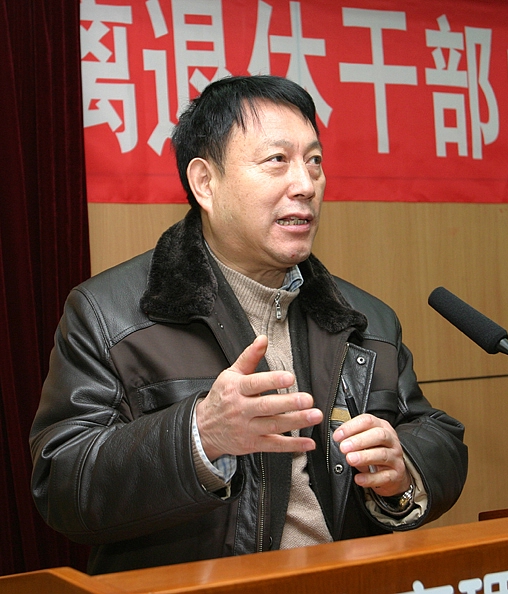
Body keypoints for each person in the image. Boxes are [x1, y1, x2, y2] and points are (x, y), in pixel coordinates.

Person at [30, 75, 467, 575]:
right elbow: (61, 481)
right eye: (277, 160)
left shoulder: (365, 319)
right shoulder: (110, 314)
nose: (306, 184)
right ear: (205, 183)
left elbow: (436, 435)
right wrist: (198, 436)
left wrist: (402, 467)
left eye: (315, 161)